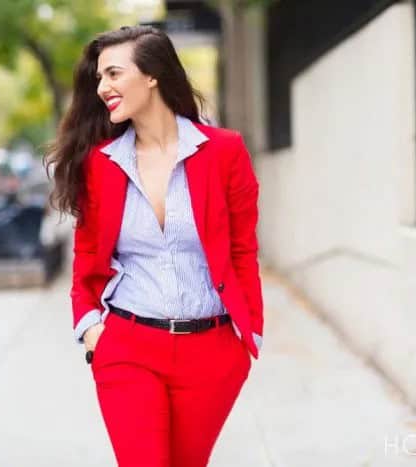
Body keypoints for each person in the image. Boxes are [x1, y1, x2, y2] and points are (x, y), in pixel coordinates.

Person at [45, 25, 264, 467]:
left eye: (113, 73)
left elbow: (242, 248)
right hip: (128, 347)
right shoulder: (100, 165)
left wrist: (248, 331)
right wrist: (91, 329)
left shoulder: (224, 151)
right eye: (99, 78)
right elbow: (87, 259)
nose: (103, 87)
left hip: (214, 351)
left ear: (152, 76)